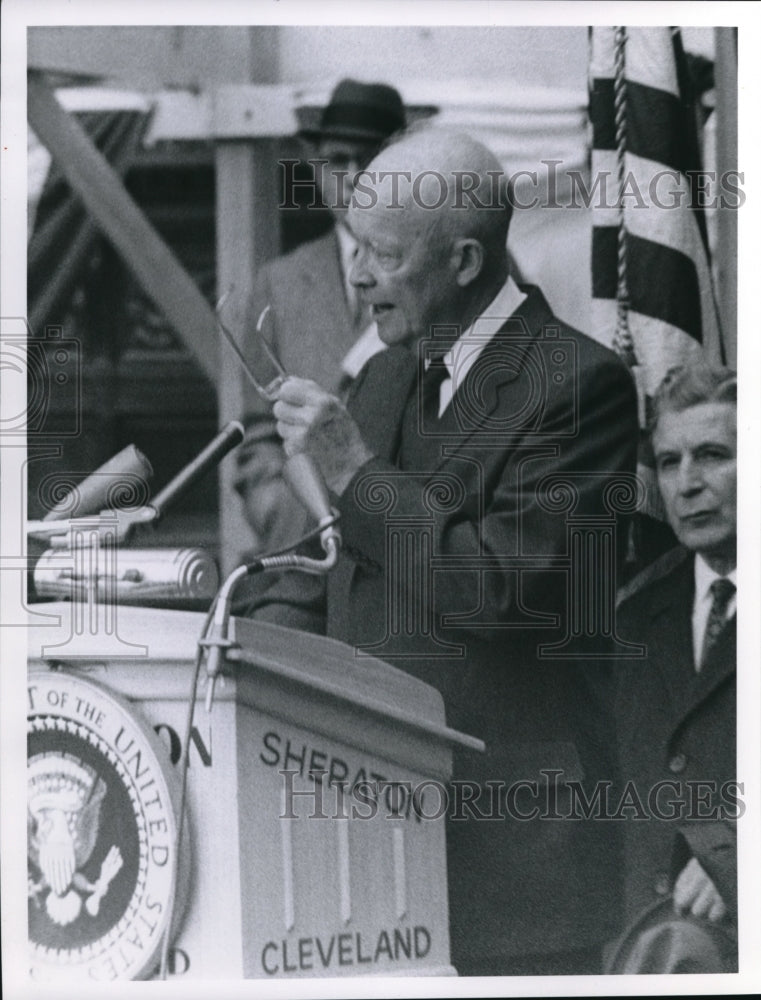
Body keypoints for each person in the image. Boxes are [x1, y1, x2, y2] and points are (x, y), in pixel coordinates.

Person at [261, 126, 639, 975]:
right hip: (369, 845)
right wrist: (222, 631)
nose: (355, 279)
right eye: (353, 249)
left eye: (379, 256)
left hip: (512, 863)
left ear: (464, 263)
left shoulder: (579, 387)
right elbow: (341, 570)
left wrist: (355, 471)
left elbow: (503, 592)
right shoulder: (389, 373)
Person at [234, 78, 406, 553]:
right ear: (316, 168)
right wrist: (275, 504)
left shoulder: (438, 268)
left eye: (368, 160)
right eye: (336, 160)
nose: (352, 175)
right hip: (303, 541)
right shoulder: (281, 281)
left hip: (401, 537)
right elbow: (260, 431)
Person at [612, 362, 737, 965]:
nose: (687, 484)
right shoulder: (636, 613)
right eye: (668, 462)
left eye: (713, 455)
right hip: (647, 948)